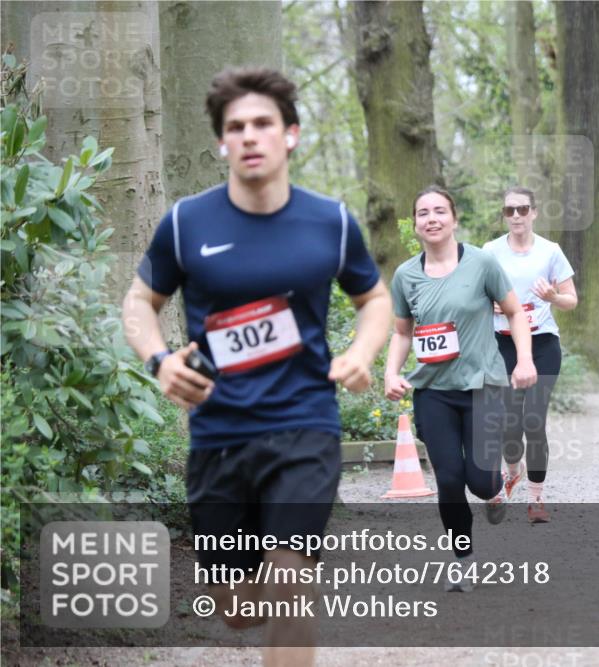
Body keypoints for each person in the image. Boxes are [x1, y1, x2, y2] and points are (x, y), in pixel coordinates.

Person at [121, 67, 391, 666]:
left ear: (290, 134)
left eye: (263, 124)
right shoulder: (188, 222)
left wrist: (360, 354)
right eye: (235, 127)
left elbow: (374, 300)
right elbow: (140, 301)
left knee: (291, 584)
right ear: (221, 142)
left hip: (305, 429)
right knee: (239, 607)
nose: (249, 136)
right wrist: (158, 360)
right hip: (219, 435)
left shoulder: (332, 221)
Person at [384, 186, 537, 591]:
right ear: (415, 224)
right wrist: (391, 373)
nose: (431, 218)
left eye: (439, 211)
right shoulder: (406, 275)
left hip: (482, 385)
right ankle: (463, 559)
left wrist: (523, 360)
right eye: (423, 213)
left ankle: (502, 482)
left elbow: (515, 312)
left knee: (479, 482)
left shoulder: (482, 263)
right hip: (433, 391)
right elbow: (402, 333)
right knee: (449, 480)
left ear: (454, 218)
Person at [483, 187, 578, 523]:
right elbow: (474, 297)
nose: (517, 216)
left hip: (542, 344)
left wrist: (552, 295)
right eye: (510, 211)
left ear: (535, 212)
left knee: (534, 420)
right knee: (510, 424)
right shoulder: (490, 252)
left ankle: (536, 499)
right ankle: (513, 470)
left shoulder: (550, 251)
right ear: (504, 216)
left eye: (523, 209)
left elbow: (571, 300)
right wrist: (489, 304)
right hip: (503, 344)